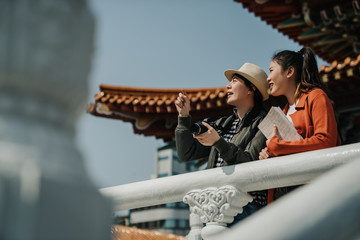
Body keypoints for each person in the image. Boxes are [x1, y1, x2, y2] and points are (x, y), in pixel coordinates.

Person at [175, 62, 269, 223]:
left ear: (251, 89)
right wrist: (184, 117)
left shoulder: (265, 121)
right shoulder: (224, 124)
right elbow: (186, 153)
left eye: (234, 81)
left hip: (246, 205)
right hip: (218, 203)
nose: (228, 86)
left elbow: (249, 162)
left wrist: (218, 142)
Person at [259, 47, 341, 202]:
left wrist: (278, 146)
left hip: (310, 190)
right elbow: (282, 147)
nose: (268, 78)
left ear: (289, 72)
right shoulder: (282, 112)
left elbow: (326, 141)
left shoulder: (316, 96)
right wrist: (268, 153)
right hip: (281, 191)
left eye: (271, 71)